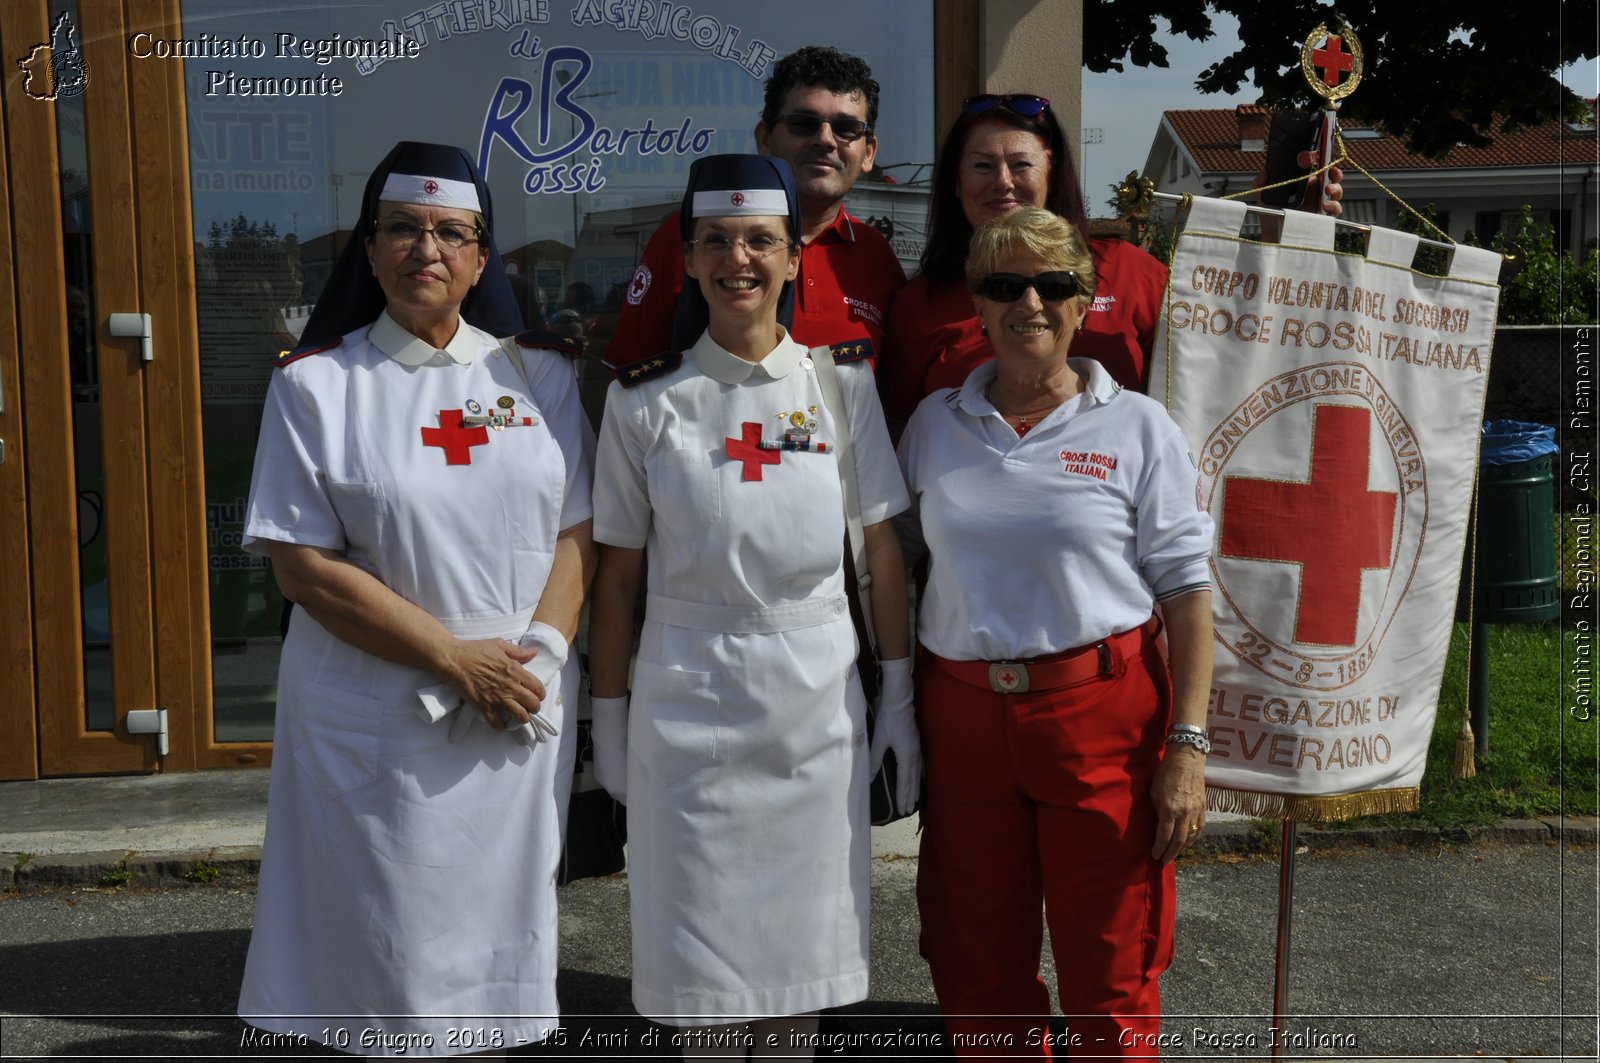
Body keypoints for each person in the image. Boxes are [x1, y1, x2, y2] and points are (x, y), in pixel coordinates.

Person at [236, 141, 596, 1055]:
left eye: (449, 232)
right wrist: (453, 658)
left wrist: (541, 658)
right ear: (368, 248)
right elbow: (303, 569)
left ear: (482, 259)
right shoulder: (317, 385)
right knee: (384, 947)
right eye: (401, 227)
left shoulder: (540, 377)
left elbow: (578, 531)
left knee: (499, 944)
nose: (423, 248)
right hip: (376, 713)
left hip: (515, 704)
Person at [586, 154, 920, 1057]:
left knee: (796, 968)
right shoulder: (644, 400)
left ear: (792, 259)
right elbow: (616, 577)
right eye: (717, 242)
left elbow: (879, 551)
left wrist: (898, 697)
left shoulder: (840, 385)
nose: (741, 258)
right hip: (685, 707)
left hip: (814, 707)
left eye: (761, 240)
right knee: (701, 974)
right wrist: (606, 717)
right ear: (689, 260)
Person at [895, 206, 1215, 1058]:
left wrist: (1187, 745)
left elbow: (1188, 595)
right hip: (964, 724)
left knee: (1111, 973)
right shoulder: (933, 425)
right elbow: (900, 564)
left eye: (1051, 285)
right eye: (1004, 285)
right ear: (977, 303)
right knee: (976, 968)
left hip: (1102, 722)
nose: (1027, 303)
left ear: (1084, 302)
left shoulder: (1138, 427)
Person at [877, 93, 1341, 431]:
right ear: (955, 183)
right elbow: (900, 439)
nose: (1003, 183)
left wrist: (1281, 240)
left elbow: (1235, 366)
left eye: (1021, 166)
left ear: (1051, 172)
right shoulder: (920, 303)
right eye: (982, 166)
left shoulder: (1129, 272)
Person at [604, 46, 904, 365]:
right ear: (764, 138)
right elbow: (630, 386)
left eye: (846, 129)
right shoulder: (690, 238)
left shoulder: (878, 258)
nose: (826, 140)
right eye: (804, 123)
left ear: (869, 152)